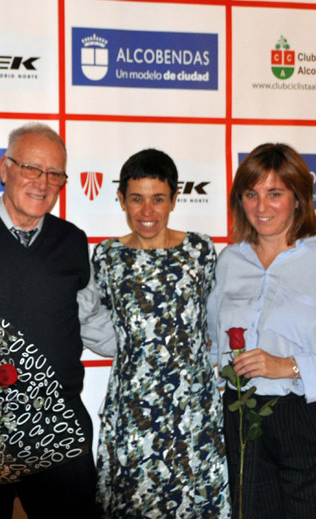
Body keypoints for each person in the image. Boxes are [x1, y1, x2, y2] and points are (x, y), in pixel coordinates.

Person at [0, 123, 114, 519]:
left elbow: (92, 320)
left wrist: (157, 342)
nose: (42, 183)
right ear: (4, 168)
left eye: (54, 174)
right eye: (32, 168)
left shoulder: (73, 242)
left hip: (58, 427)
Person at [208, 143, 316, 519]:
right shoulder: (228, 262)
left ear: (298, 198)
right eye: (251, 194)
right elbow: (210, 344)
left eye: (274, 194)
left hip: (311, 424)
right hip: (243, 423)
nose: (261, 206)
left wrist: (287, 365)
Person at [91, 149, 230, 518]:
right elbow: (100, 322)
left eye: (158, 199)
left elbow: (214, 319)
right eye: (136, 199)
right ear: (121, 199)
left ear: (174, 199)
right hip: (132, 411)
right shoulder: (106, 256)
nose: (147, 211)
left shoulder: (200, 250)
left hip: (192, 411)